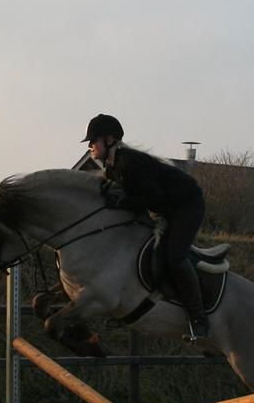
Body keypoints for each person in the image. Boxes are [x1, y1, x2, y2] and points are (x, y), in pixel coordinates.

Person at [82, 113, 210, 340]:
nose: (90, 146)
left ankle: (198, 318)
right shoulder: (112, 167)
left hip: (186, 205)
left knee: (174, 257)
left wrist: (123, 202)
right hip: (165, 206)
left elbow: (153, 198)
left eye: (94, 140)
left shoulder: (130, 162)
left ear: (110, 139)